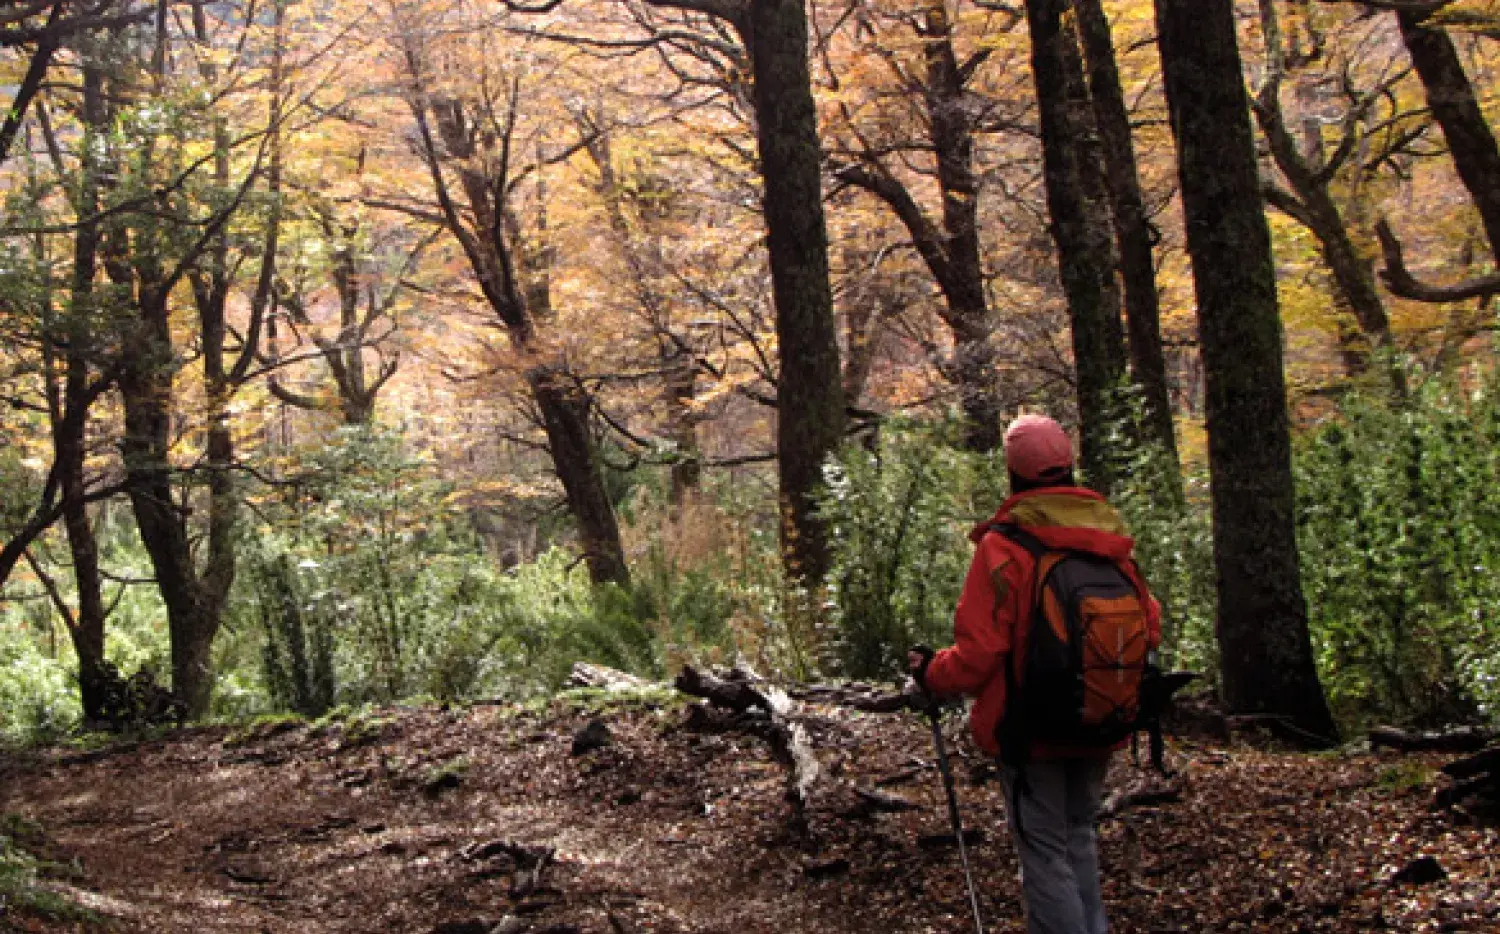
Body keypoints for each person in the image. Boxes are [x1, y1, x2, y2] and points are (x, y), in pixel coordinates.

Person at [908, 413, 1161, 934]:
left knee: (1045, 852)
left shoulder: (1005, 550)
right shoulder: (1108, 541)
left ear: (1013, 473)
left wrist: (932, 673)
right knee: (1080, 836)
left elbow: (978, 654)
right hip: (1100, 715)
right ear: (1069, 466)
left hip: (1030, 728)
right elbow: (1149, 626)